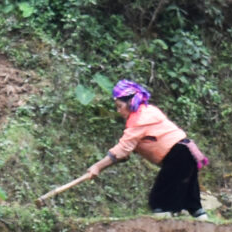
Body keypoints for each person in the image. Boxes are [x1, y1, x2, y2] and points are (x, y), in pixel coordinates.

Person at [47, 80, 210, 213]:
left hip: (177, 155)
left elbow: (123, 148)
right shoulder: (148, 111)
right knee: (190, 197)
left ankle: (165, 229)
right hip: (186, 153)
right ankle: (200, 219)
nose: (118, 111)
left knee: (159, 200)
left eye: (119, 106)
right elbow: (140, 143)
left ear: (131, 102)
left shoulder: (138, 118)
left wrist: (97, 166)